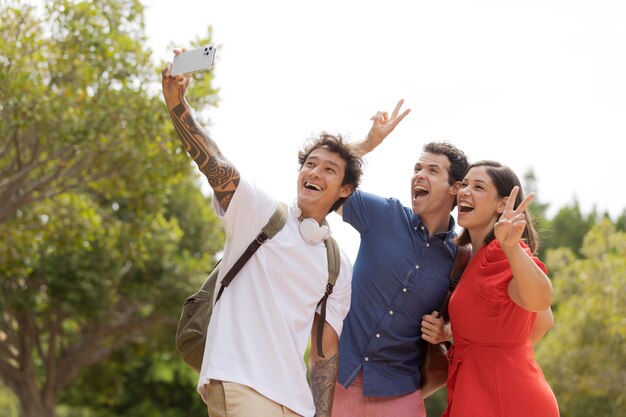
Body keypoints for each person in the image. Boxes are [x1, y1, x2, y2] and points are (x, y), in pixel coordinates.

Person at [161, 50, 364, 417]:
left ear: (345, 189)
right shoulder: (261, 214)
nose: (314, 173)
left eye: (329, 169)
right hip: (239, 381)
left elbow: (326, 351)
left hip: (295, 403)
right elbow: (218, 166)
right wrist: (179, 107)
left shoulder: (337, 263)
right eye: (309, 164)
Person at [331, 101, 471, 417]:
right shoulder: (383, 214)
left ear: (456, 188)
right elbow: (325, 179)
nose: (419, 176)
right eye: (417, 169)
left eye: (432, 170)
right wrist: (368, 143)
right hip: (339, 379)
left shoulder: (461, 258)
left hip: (400, 393)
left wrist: (445, 331)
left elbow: (473, 319)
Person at [427, 160, 559, 417]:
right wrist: (453, 335)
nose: (465, 191)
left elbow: (541, 306)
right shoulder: (473, 258)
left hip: (505, 398)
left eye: (478, 187)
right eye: (464, 184)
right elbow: (536, 323)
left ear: (501, 204)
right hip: (483, 390)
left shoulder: (502, 252)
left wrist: (497, 358)